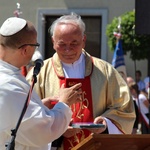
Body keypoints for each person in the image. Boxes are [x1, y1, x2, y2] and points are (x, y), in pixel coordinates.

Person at [26, 13, 136, 150]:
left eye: (74, 43)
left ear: (83, 40)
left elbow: (124, 109)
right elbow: (27, 115)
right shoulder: (40, 73)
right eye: (62, 44)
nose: (68, 50)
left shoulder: (105, 71)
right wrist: (57, 128)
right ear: (53, 42)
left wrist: (106, 123)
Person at [0, 17, 83, 150]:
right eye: (35, 45)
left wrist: (41, 106)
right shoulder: (8, 85)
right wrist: (64, 103)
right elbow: (42, 131)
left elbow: (19, 118)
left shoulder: (8, 75)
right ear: (25, 50)